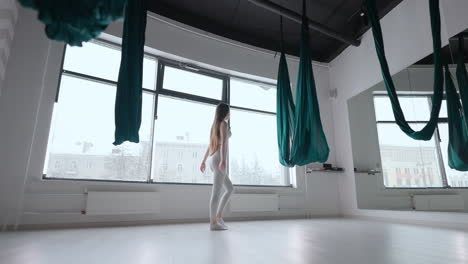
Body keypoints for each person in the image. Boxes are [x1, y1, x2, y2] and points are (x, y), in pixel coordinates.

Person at [200, 103, 234, 231]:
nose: (230, 114)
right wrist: (223, 160)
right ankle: (213, 223)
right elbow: (224, 143)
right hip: (218, 158)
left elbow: (210, 145)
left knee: (230, 188)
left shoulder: (215, 125)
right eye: (229, 112)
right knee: (216, 193)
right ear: (224, 112)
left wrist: (203, 161)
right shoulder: (223, 124)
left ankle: (218, 216)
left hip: (212, 158)